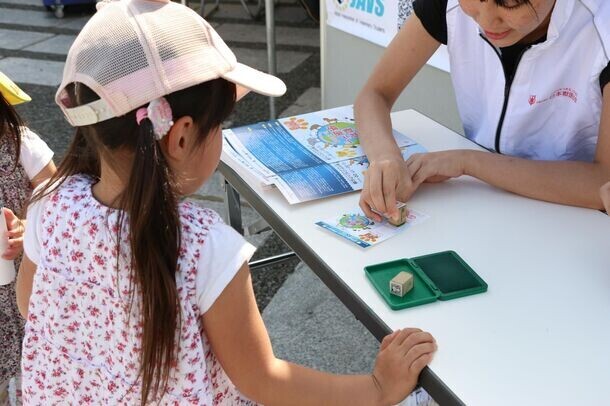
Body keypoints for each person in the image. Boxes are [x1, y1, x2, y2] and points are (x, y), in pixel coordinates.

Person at [15, 1, 436, 404]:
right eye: (220, 124)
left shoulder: (48, 205)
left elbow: (30, 303)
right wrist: (378, 388)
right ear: (180, 136)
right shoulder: (204, 247)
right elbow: (262, 379)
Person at [355, 0, 610, 222]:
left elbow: (603, 181)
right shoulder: (448, 5)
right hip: (480, 207)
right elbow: (374, 95)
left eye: (510, 3)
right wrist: (385, 158)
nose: (486, 20)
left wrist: (468, 162)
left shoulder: (602, 26)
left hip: (573, 223)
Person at [0, 71, 55, 405]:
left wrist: (26, 225)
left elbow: (59, 198)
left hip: (24, 283)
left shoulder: (19, 144)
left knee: (31, 368)